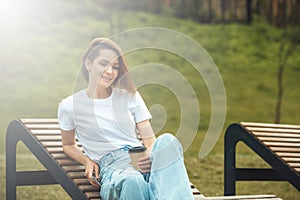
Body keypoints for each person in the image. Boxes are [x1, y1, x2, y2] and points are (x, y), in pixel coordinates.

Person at [57, 37, 194, 200]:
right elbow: (68, 144)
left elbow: (150, 141)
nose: (109, 71)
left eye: (115, 67)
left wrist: (149, 158)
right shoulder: (70, 105)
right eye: (103, 64)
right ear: (88, 64)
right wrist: (87, 161)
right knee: (132, 180)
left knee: (168, 141)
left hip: (141, 161)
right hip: (114, 169)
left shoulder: (130, 96)